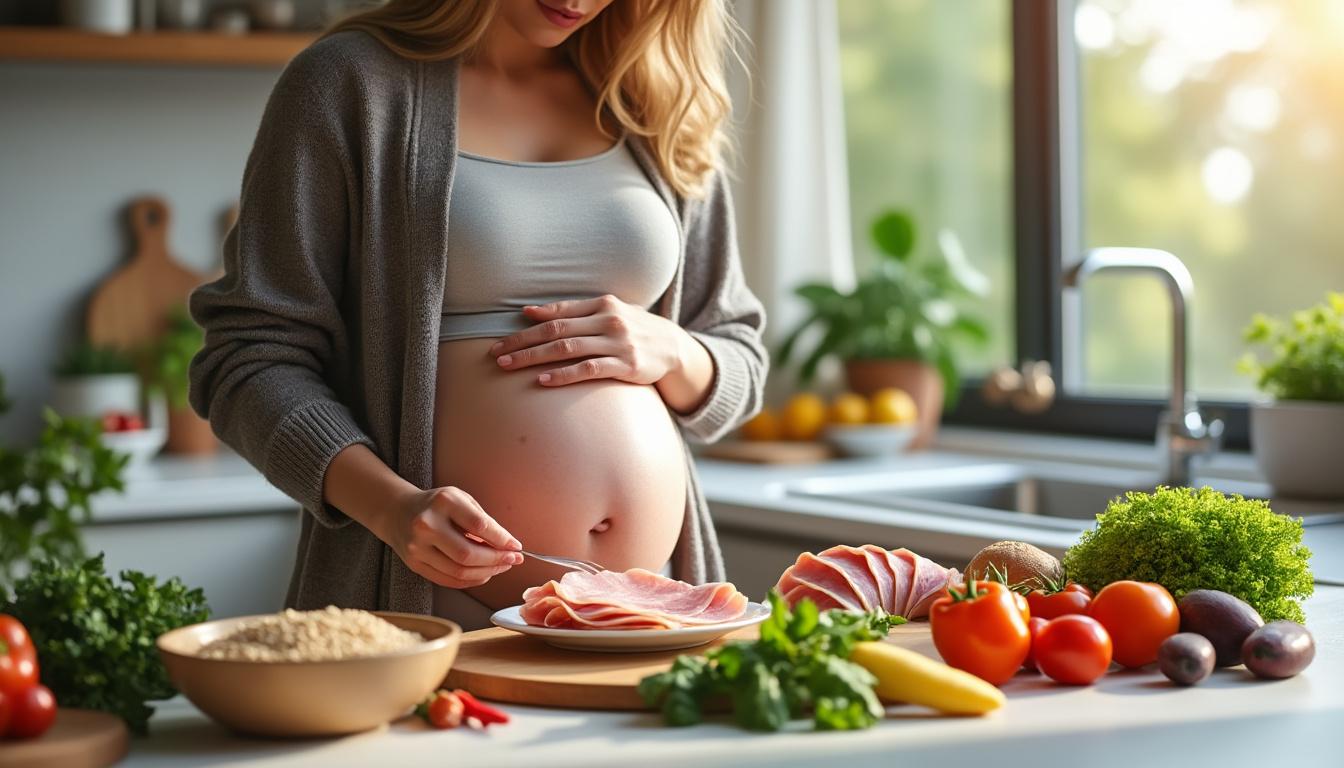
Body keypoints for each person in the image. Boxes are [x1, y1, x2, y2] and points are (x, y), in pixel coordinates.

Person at [188, 0, 766, 630]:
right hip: (430, 603)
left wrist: (678, 353)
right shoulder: (350, 84)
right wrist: (393, 511)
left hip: (650, 617)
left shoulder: (653, 103)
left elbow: (738, 352)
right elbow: (246, 359)